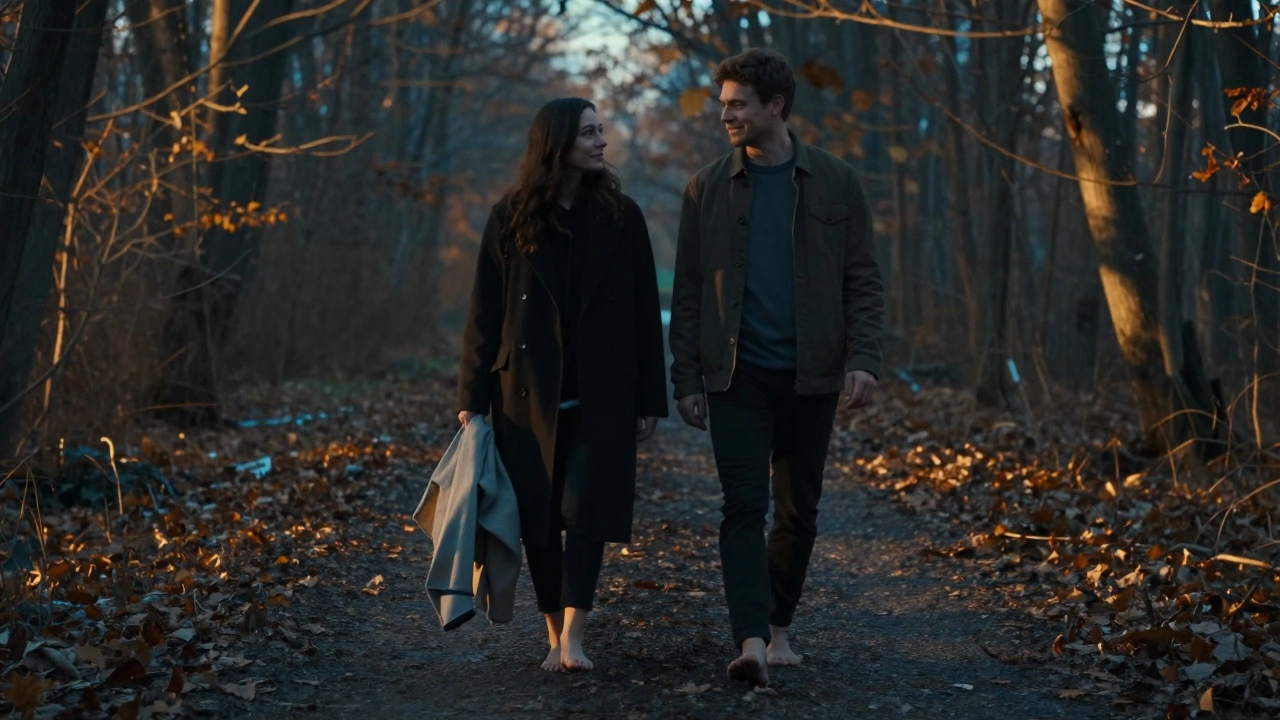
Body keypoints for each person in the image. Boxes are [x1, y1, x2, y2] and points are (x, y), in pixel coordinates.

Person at [668, 48, 886, 687]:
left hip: (811, 374)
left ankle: (779, 625)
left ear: (776, 107)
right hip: (735, 375)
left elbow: (862, 279)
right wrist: (686, 377)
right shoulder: (705, 187)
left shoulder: (837, 181)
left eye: (737, 104)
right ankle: (752, 641)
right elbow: (686, 290)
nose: (725, 114)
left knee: (798, 510)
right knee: (742, 506)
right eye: (722, 103)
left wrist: (864, 359)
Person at [456, 97, 668, 673]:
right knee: (539, 519)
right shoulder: (512, 216)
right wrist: (471, 402)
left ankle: (574, 634)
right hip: (524, 395)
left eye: (602, 131)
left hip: (604, 392)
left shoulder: (622, 218)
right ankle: (553, 633)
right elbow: (484, 314)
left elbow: (647, 313)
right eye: (589, 133)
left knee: (585, 509)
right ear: (557, 145)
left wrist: (652, 396)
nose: (602, 142)